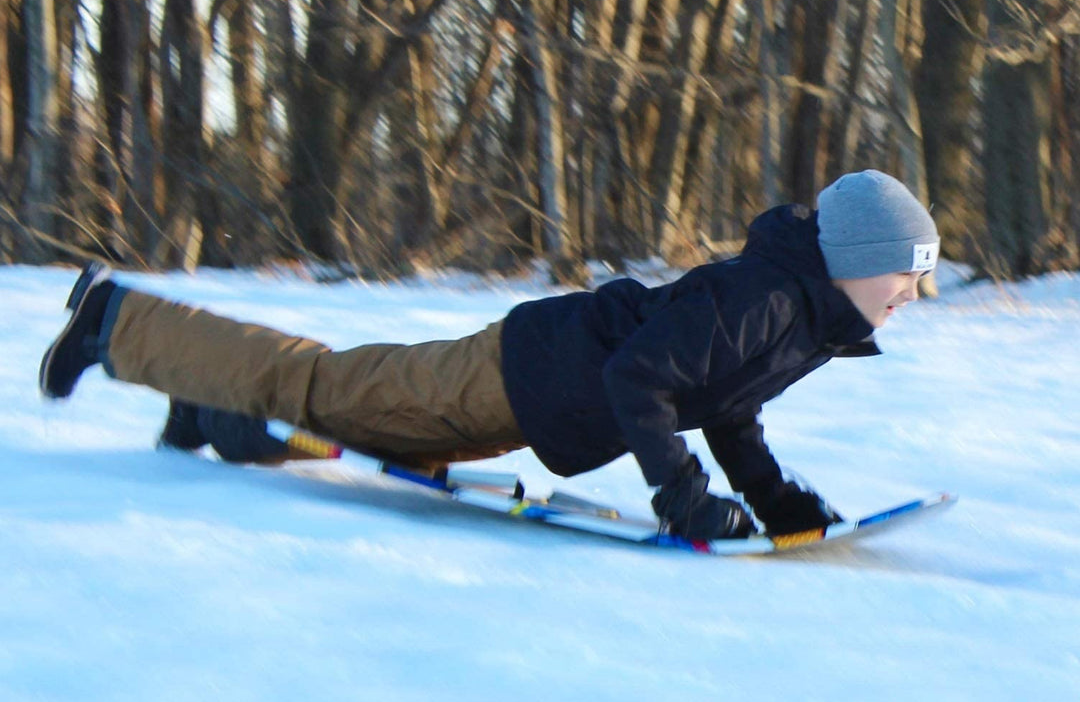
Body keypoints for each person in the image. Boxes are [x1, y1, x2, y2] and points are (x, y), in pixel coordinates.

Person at [39, 169, 939, 541]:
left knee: (365, 430)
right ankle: (114, 318)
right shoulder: (763, 299)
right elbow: (643, 379)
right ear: (856, 261)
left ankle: (209, 411)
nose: (910, 295)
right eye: (906, 276)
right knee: (315, 386)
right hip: (513, 374)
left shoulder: (805, 318)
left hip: (528, 397)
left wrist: (772, 499)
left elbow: (727, 405)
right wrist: (685, 498)